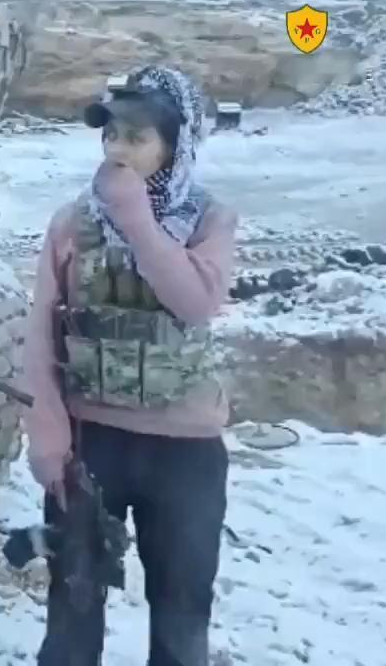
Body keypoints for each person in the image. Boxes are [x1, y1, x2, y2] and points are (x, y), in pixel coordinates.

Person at [21, 65, 239, 666]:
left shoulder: (209, 219)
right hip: (92, 445)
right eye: (111, 135)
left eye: (137, 138)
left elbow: (195, 302)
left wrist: (136, 219)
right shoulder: (73, 222)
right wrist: (48, 439)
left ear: (176, 146)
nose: (117, 151)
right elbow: (40, 333)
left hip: (186, 454)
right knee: (72, 615)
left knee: (181, 619)